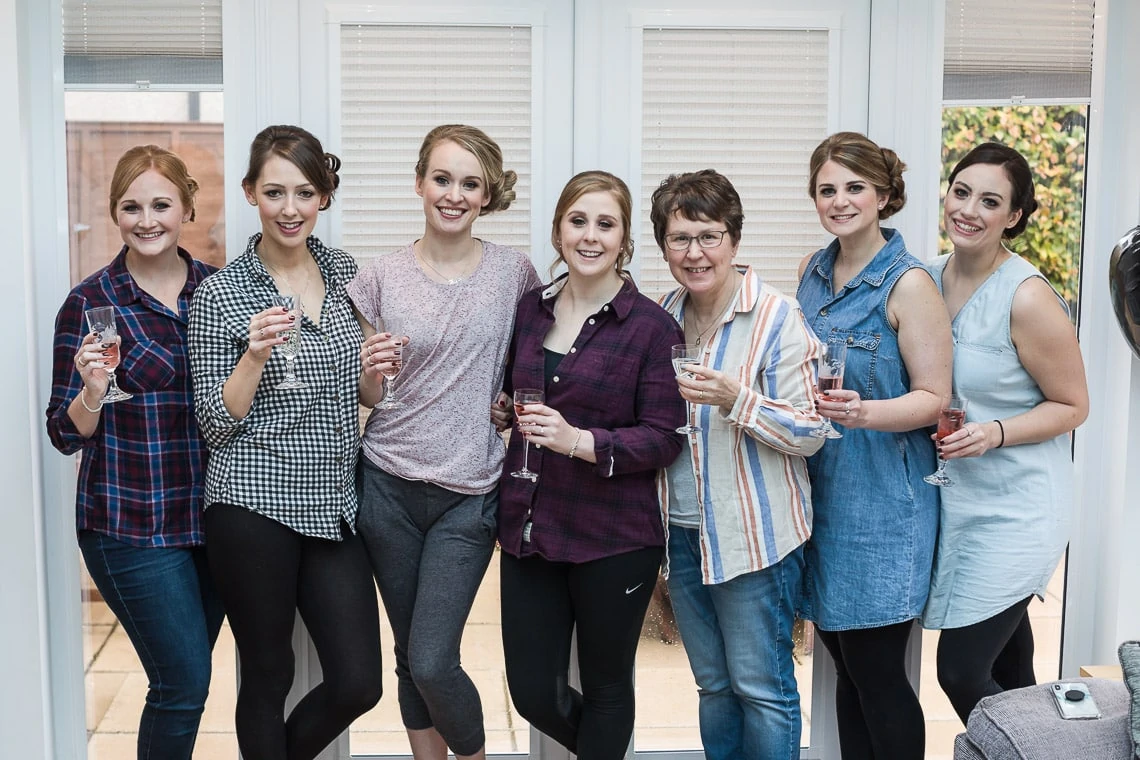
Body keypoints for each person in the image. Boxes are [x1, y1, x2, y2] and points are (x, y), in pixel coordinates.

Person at [187, 125, 382, 760]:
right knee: (268, 675)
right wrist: (253, 353)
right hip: (251, 502)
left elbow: (365, 396)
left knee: (358, 682)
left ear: (324, 195)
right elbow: (216, 424)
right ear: (250, 194)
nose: (290, 208)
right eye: (275, 192)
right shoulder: (221, 291)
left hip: (332, 502)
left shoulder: (349, 274)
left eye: (304, 191)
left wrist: (379, 374)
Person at [347, 124, 541, 760]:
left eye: (470, 183)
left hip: (469, 492)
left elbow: (528, 370)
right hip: (386, 486)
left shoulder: (516, 274)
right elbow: (369, 397)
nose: (453, 195)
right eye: (442, 179)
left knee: (433, 659)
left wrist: (513, 405)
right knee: (408, 654)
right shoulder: (378, 278)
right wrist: (371, 373)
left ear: (487, 195)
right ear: (419, 183)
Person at [497, 170, 685, 760]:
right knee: (533, 693)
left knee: (606, 687)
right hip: (530, 526)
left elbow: (663, 439)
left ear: (624, 239)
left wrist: (578, 440)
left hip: (615, 537)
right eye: (578, 221)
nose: (590, 236)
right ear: (558, 231)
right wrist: (507, 409)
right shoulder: (531, 310)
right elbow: (519, 390)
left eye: (606, 224)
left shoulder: (653, 328)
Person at [45, 144, 225, 759]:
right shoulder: (91, 303)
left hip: (213, 522)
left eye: (160, 204)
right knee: (182, 683)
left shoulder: (220, 292)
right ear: (115, 214)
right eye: (131, 206)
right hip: (129, 525)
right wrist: (92, 391)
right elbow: (66, 432)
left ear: (187, 209)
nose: (146, 219)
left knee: (186, 684)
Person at [651, 168, 825, 760]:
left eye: (709, 235)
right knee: (714, 686)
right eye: (680, 238)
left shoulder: (777, 318)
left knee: (763, 690)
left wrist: (738, 400)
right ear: (663, 246)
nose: (695, 252)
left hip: (756, 536)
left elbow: (812, 431)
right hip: (682, 532)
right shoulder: (659, 315)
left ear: (734, 238)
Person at [795, 131, 953, 759]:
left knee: (879, 676)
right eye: (827, 189)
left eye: (855, 187)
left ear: (884, 195)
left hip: (884, 507)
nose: (840, 200)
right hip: (820, 498)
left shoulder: (909, 284)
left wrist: (865, 411)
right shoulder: (813, 270)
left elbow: (934, 398)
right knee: (847, 669)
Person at [923, 142, 1089, 723]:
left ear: (1013, 217)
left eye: (990, 201)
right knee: (1015, 674)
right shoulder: (927, 277)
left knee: (960, 671)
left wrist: (995, 431)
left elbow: (1073, 405)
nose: (968, 209)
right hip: (958, 505)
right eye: (961, 192)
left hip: (1018, 510)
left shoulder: (1027, 296)